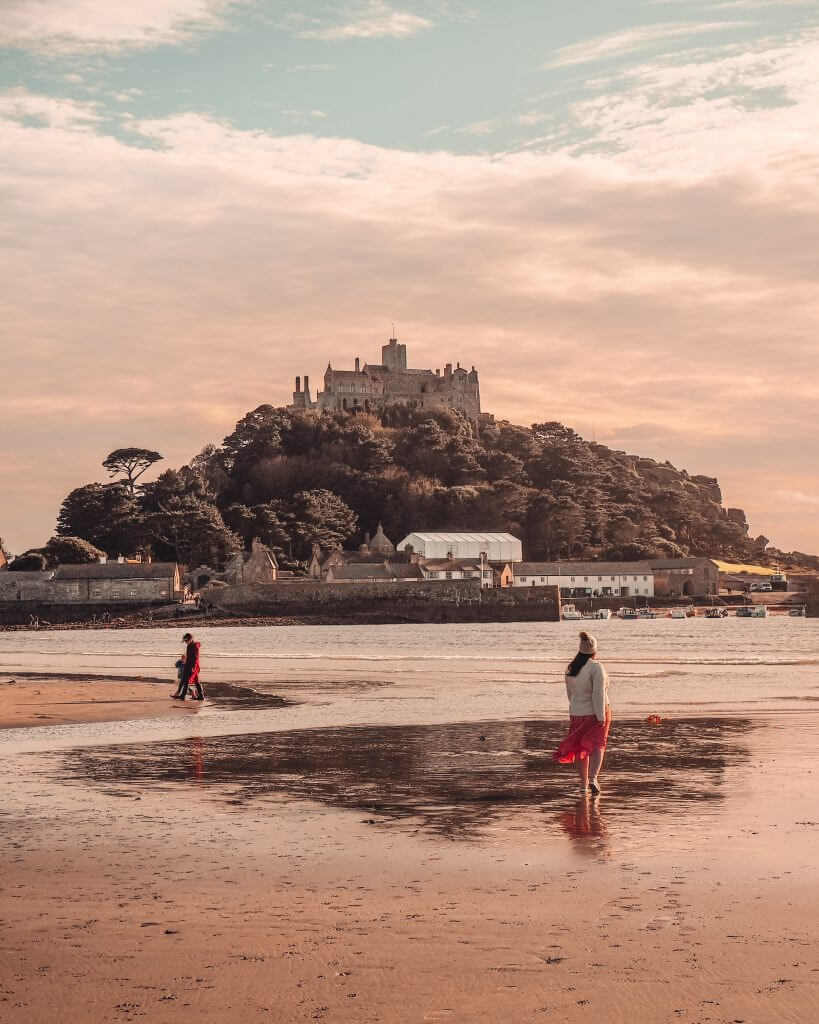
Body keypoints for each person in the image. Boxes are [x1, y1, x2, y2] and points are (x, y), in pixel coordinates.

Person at [553, 630, 611, 796]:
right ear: (595, 651)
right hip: (597, 711)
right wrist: (601, 716)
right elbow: (598, 694)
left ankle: (583, 785)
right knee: (598, 745)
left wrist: (575, 708)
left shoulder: (571, 668)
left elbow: (570, 693)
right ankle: (593, 778)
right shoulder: (596, 668)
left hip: (577, 712)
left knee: (580, 748)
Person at [172, 632, 204, 701]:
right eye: (185, 641)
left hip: (191, 665)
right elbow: (194, 657)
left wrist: (190, 665)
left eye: (186, 640)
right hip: (196, 665)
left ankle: (182, 695)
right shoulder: (195, 645)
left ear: (191, 639)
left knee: (186, 680)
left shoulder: (191, 646)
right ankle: (201, 696)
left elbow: (193, 657)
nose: (186, 642)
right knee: (196, 680)